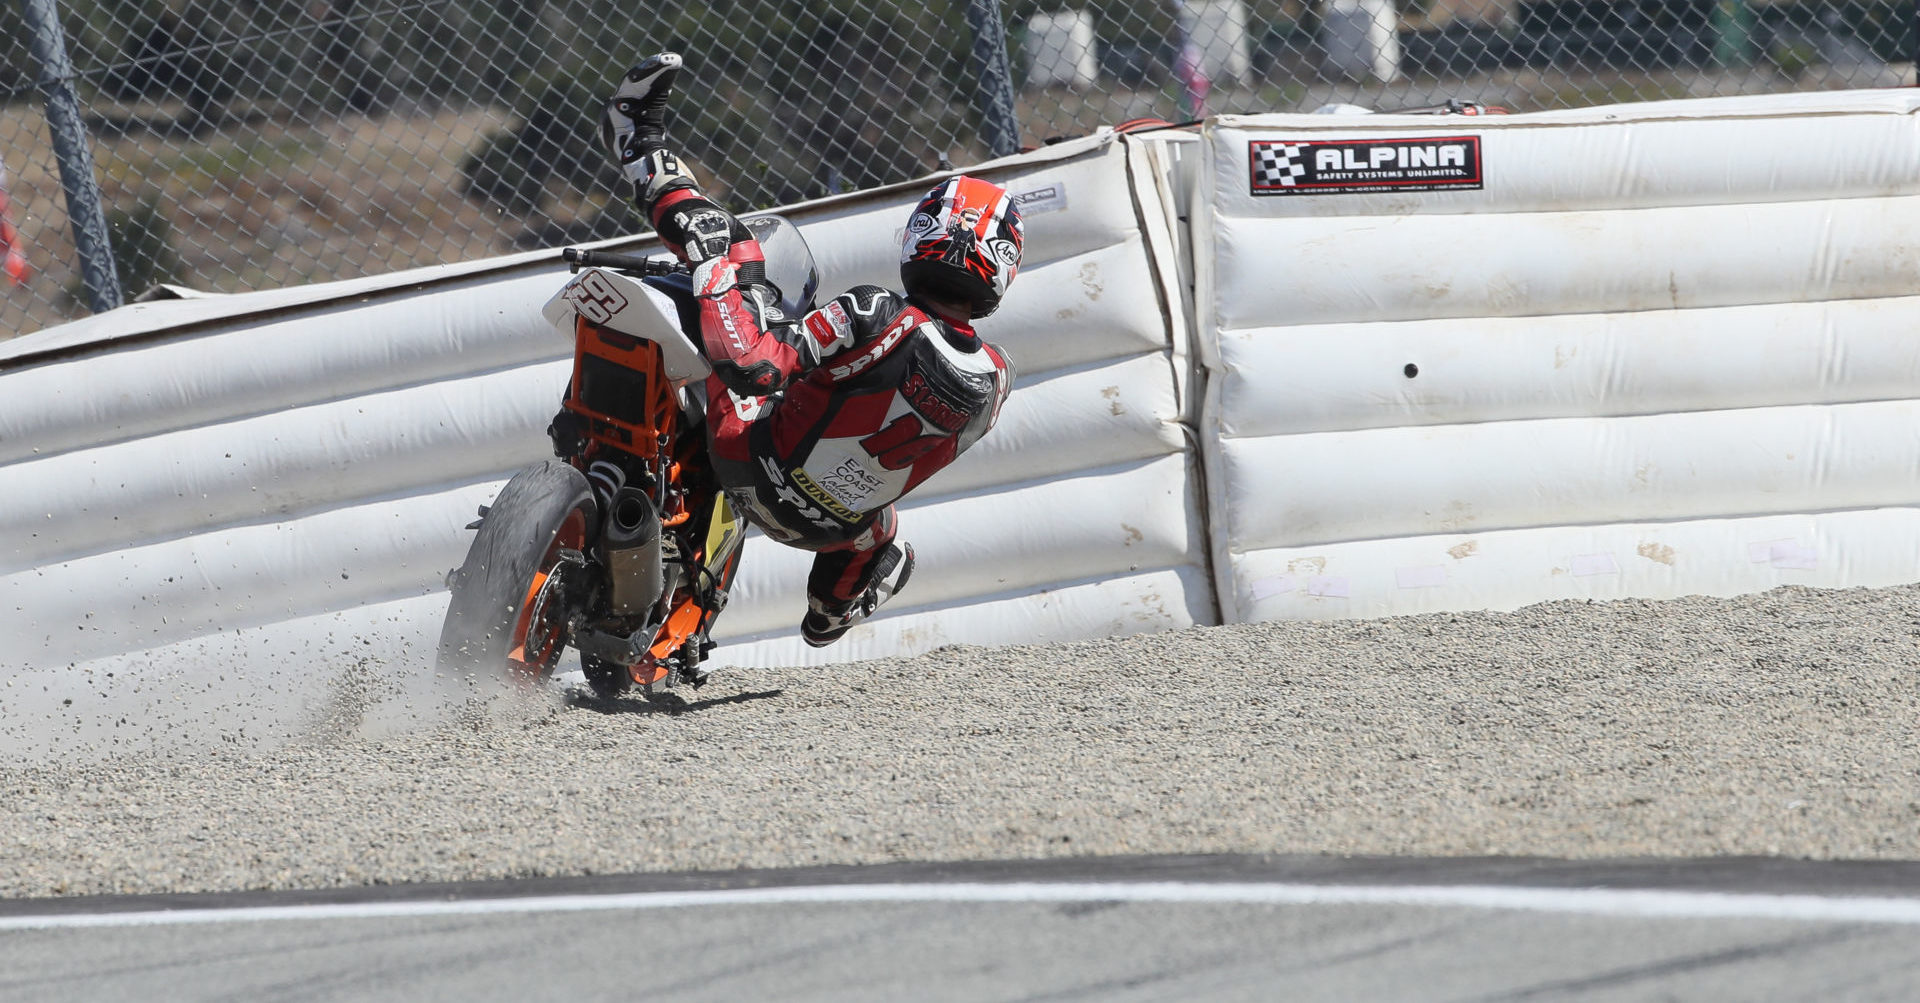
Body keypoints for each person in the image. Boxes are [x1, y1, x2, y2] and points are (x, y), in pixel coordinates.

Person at [591, 52, 1022, 648]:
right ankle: (830, 614)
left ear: (922, 236)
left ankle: (636, 137)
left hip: (751, 456)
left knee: (731, 247)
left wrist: (718, 275)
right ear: (1004, 268)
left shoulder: (876, 311)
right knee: (880, 524)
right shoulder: (998, 378)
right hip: (828, 530)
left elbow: (756, 368)